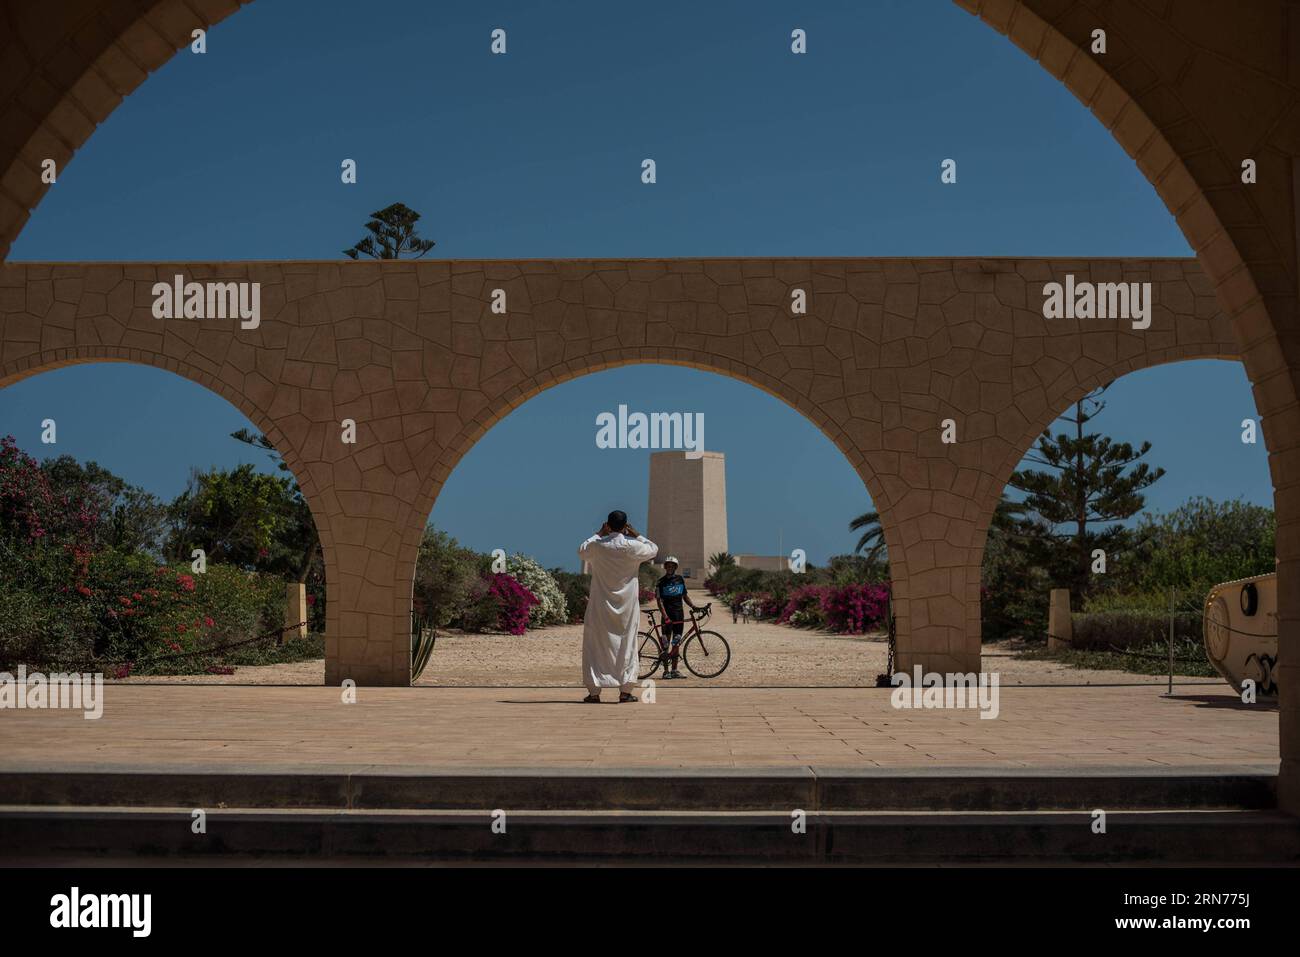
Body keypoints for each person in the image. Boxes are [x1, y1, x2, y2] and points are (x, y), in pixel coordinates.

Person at [578, 510, 658, 702]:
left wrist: (599, 533)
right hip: (627, 606)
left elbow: (582, 550)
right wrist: (636, 534)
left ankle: (594, 692)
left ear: (608, 525)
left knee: (595, 645)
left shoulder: (598, 546)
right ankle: (625, 691)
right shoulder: (633, 547)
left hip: (600, 604)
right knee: (627, 645)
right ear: (625, 526)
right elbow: (654, 548)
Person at [655, 556, 705, 679]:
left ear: (675, 567)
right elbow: (659, 601)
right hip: (667, 616)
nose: (670, 568)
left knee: (676, 642)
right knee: (665, 644)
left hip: (679, 615)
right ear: (665, 567)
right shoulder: (660, 582)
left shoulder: (680, 579)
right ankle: (666, 671)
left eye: (672, 566)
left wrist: (693, 606)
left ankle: (675, 671)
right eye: (668, 565)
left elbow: (685, 596)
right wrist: (665, 616)